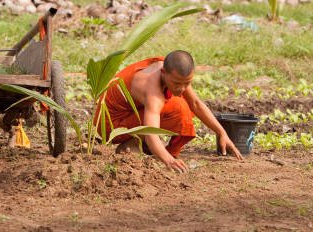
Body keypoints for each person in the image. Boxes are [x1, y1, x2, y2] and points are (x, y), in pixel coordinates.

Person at [94, 50, 242, 173]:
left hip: (129, 115)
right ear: (164, 73)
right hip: (110, 127)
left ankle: (145, 145)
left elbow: (196, 104)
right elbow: (150, 132)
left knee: (183, 105)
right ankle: (131, 145)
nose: (182, 89)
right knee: (179, 109)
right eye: (177, 84)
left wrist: (222, 133)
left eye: (187, 83)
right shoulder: (152, 92)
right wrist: (168, 160)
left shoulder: (172, 70)